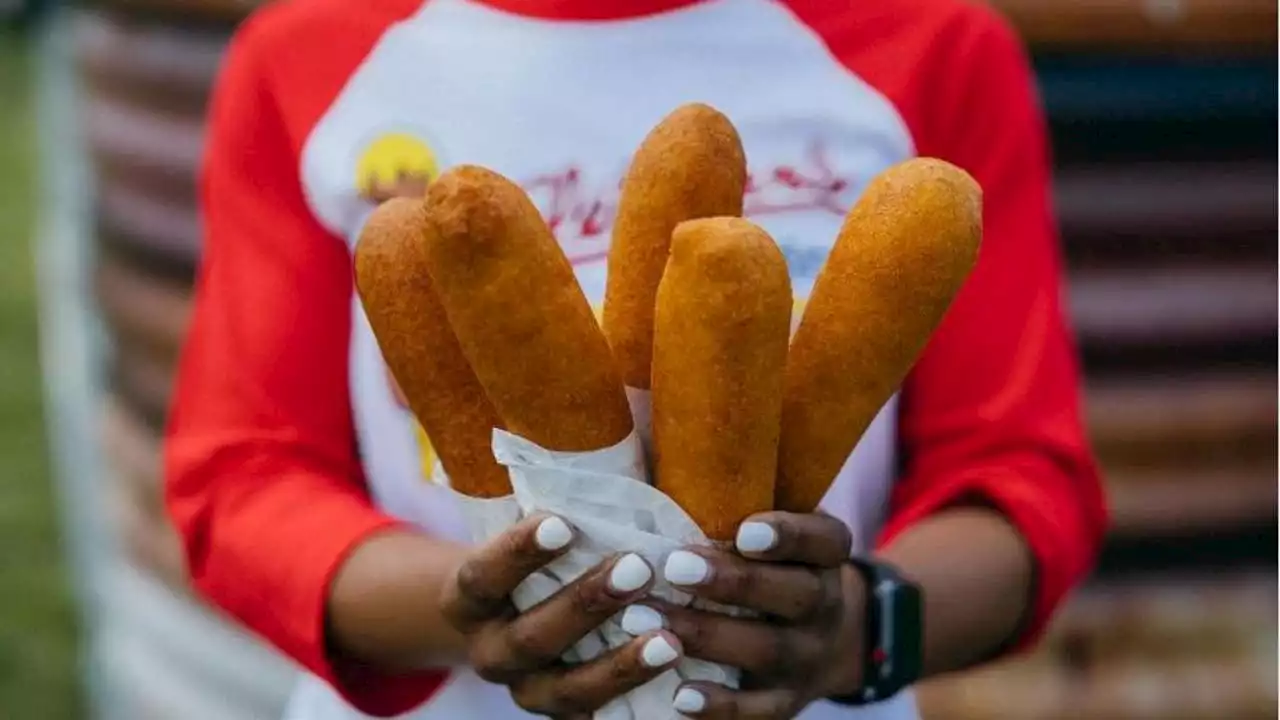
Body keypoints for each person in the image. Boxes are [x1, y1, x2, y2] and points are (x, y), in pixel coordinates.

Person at [163, 0, 1108, 718]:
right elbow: (241, 480)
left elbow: (1021, 482)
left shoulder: (931, 43)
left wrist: (851, 626)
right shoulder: (312, 53)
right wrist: (465, 609)